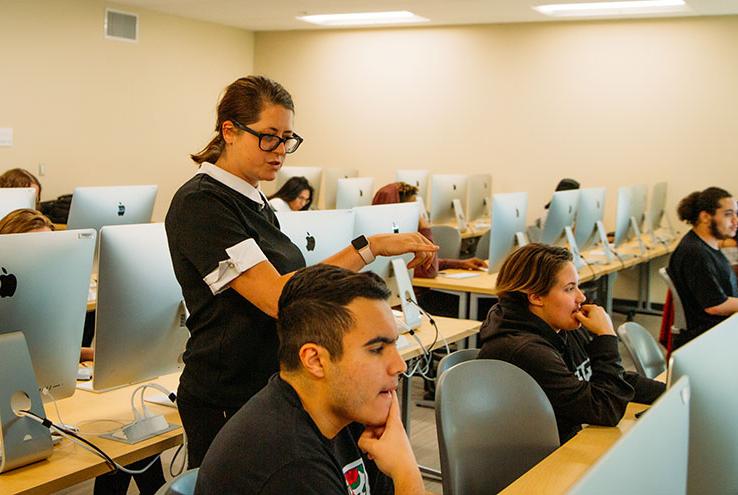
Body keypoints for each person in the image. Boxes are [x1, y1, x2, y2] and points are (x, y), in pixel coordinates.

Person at [165, 75, 437, 468]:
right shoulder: (202, 203)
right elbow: (278, 297)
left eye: (287, 138)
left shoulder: (256, 200)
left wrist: (371, 247)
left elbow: (299, 286)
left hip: (269, 383)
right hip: (227, 391)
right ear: (229, 131)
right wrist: (366, 248)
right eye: (268, 136)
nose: (280, 151)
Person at [196, 265, 428, 494]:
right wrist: (406, 471)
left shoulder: (349, 412)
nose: (400, 365)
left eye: (394, 345)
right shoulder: (290, 466)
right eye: (377, 349)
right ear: (315, 360)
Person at [0, 207, 163, 493]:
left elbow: (46, 350)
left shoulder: (48, 299)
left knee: (130, 425)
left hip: (41, 401)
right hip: (14, 411)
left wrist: (93, 355)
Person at [477, 243, 664, 444]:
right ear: (536, 297)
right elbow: (604, 409)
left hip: (566, 439)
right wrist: (606, 337)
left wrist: (672, 391)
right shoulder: (525, 351)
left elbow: (607, 376)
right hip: (538, 460)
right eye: (570, 289)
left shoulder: (560, 325)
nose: (581, 297)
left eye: (578, 286)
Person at [667, 187, 738, 349]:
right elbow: (715, 306)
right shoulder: (695, 253)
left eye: (736, 213)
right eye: (728, 214)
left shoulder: (708, 245)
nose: (736, 220)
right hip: (707, 338)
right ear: (705, 216)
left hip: (720, 328)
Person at [372, 182, 487, 277]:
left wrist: (460, 264)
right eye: (411, 209)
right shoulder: (383, 244)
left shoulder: (400, 235)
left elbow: (423, 263)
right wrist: (425, 228)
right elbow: (429, 271)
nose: (416, 214)